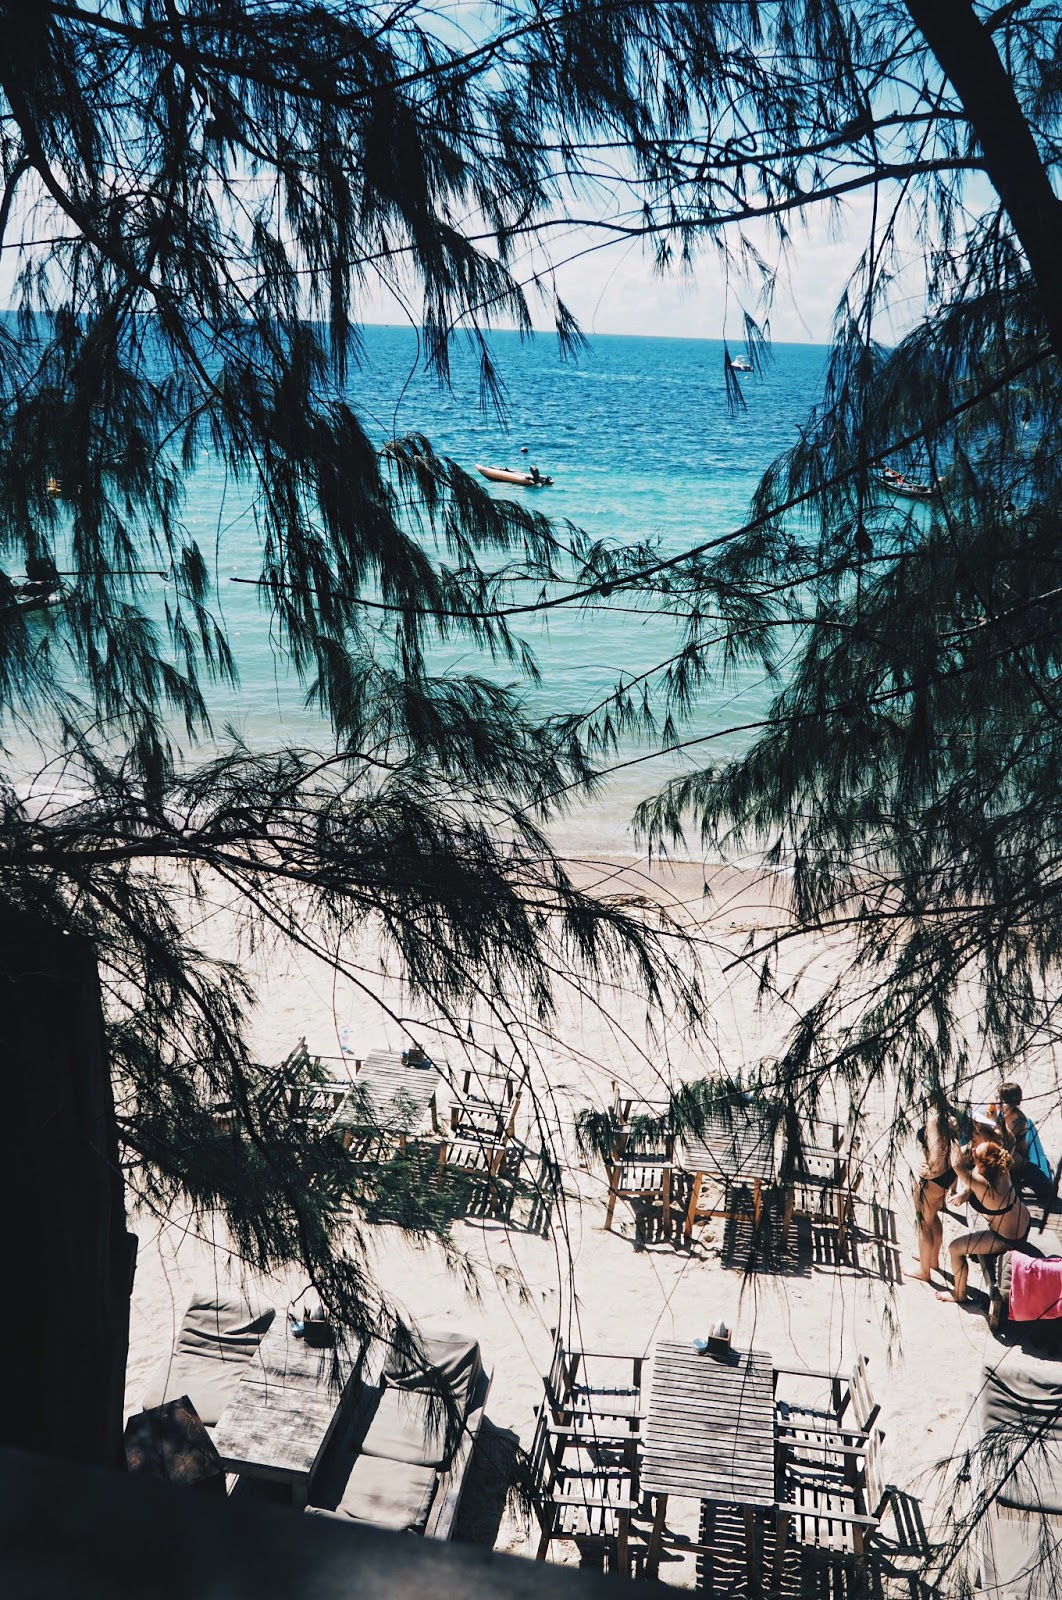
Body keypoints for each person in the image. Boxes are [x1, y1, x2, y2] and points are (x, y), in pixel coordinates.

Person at [936, 1140, 1031, 1304]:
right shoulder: (1001, 1169)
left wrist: (952, 1138)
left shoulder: (984, 1185)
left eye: (976, 1153)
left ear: (983, 1165)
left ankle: (959, 1294)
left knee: (955, 1248)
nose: (972, 1150)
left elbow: (957, 1165)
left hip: (1008, 1239)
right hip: (1023, 1222)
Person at [910, 1102, 957, 1281]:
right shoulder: (952, 1117)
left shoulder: (934, 1121)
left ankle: (924, 1271)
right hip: (947, 1177)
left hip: (933, 1180)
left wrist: (932, 1171)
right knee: (933, 1216)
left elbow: (936, 1155)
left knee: (924, 1223)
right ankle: (932, 1259)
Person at [995, 1081, 1054, 1205]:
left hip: (1018, 1155)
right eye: (997, 1099)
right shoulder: (1003, 1113)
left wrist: (995, 1123)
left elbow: (1006, 1141)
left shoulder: (1019, 1121)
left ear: (1012, 1103)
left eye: (1001, 1101)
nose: (997, 1103)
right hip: (1007, 1148)